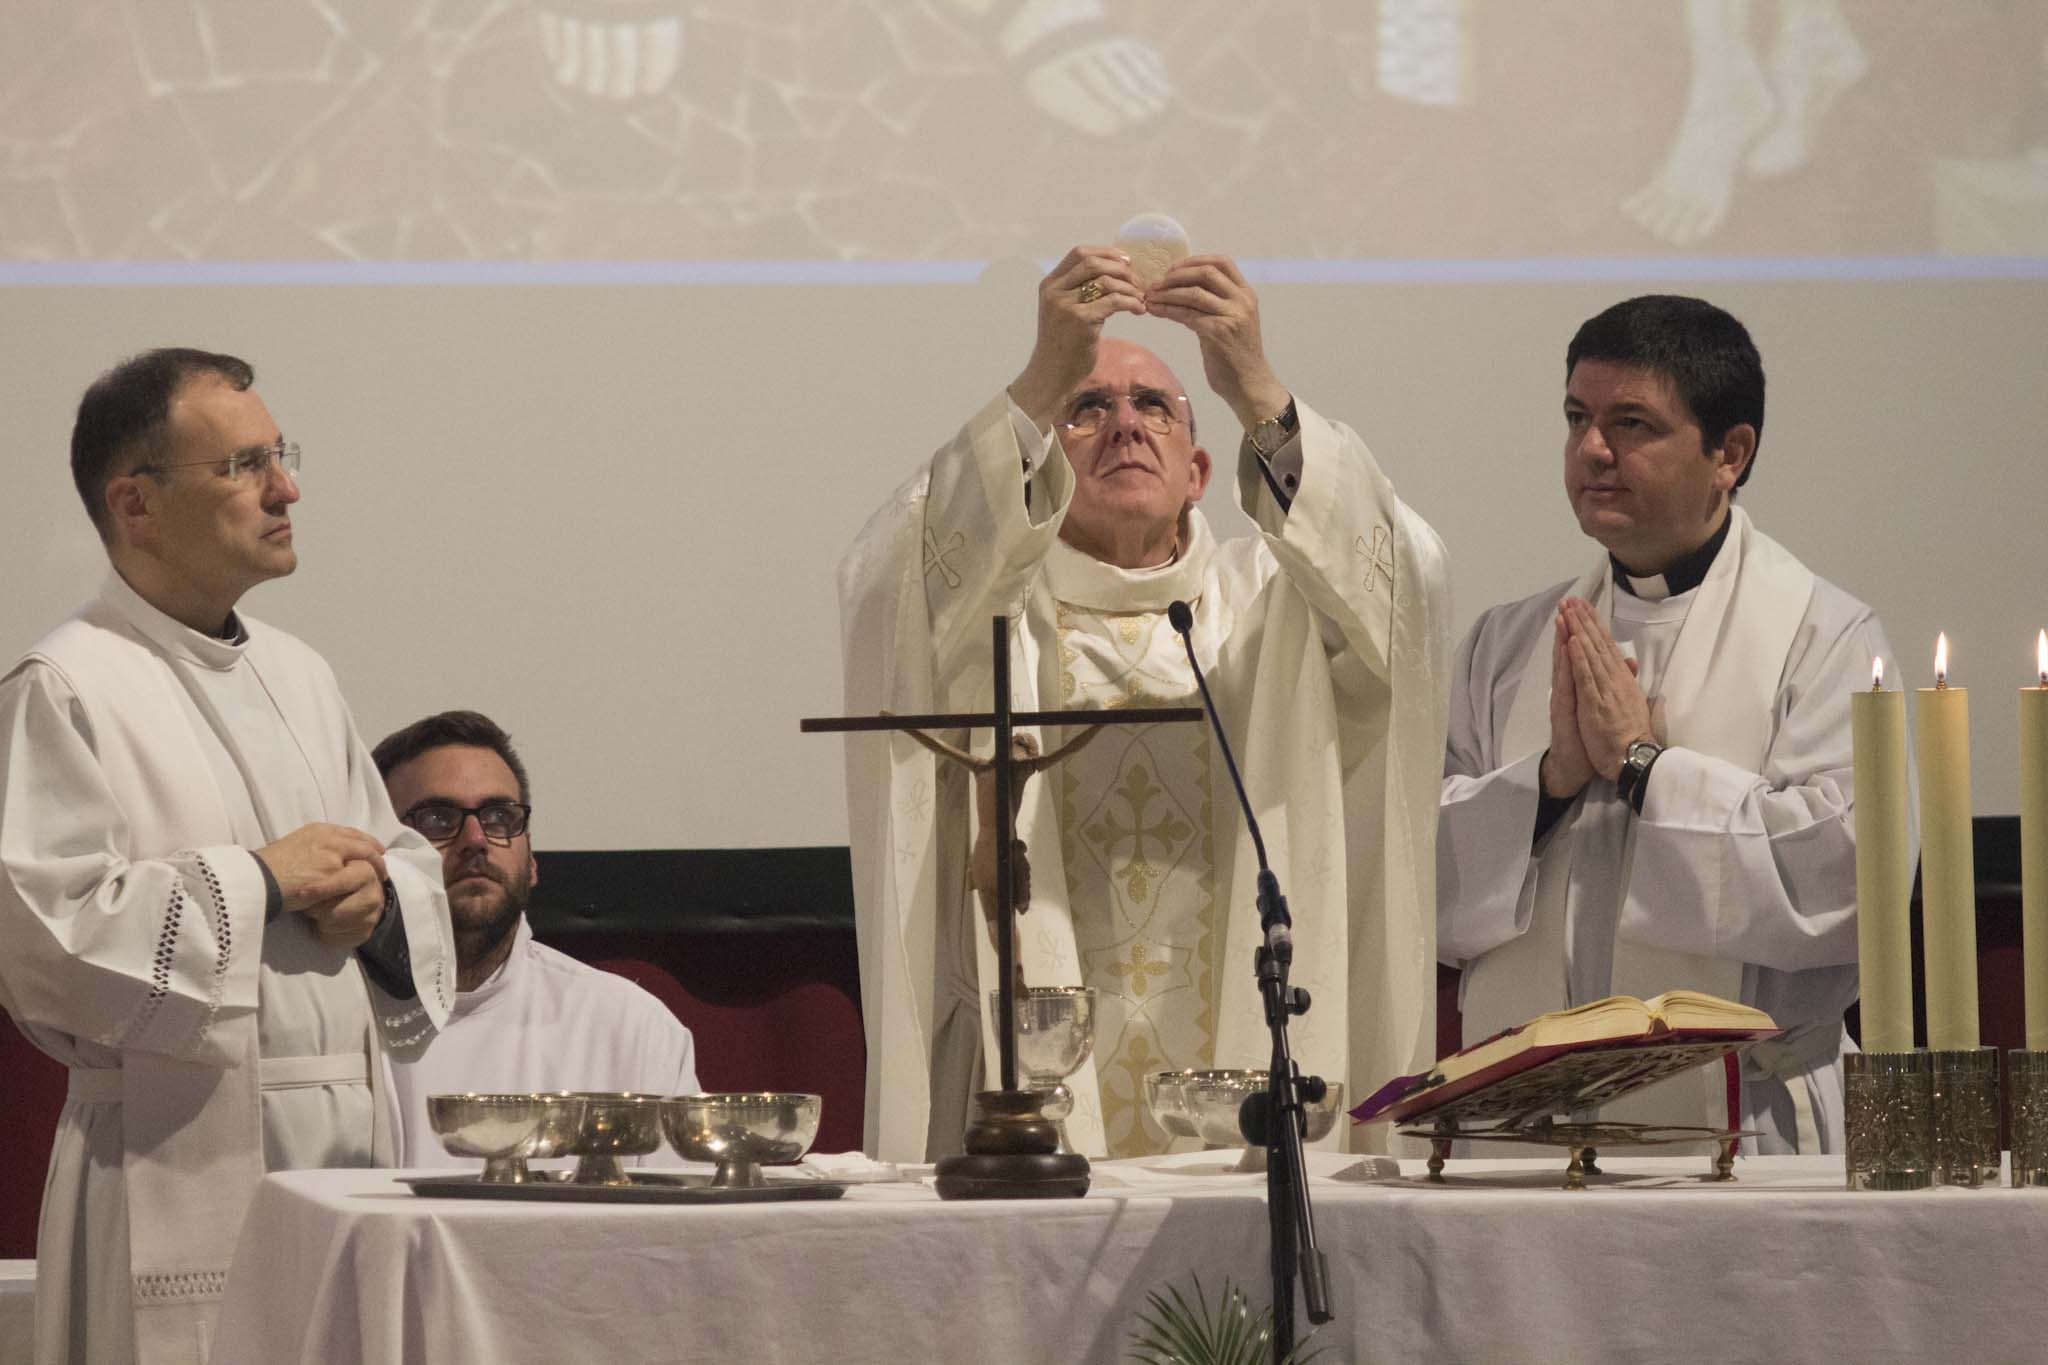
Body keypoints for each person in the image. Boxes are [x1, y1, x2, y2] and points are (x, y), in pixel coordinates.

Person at [841, 246, 1450, 1161]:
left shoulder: (1268, 608)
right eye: (1088, 408)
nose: (1124, 425)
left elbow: (1405, 585)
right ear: (1047, 461)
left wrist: (1257, 389)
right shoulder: (1002, 618)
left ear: (1202, 470)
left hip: (1244, 1076)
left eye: (1153, 406)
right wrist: (1042, 373)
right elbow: (892, 580)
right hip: (1040, 1087)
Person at [0, 349, 455, 1365]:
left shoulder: (300, 675)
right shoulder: (68, 686)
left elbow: (394, 863)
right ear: (136, 504)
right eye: (244, 465)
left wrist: (374, 907)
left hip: (345, 1165)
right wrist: (260, 881)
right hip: (167, 1166)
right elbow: (50, 940)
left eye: (279, 457)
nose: (286, 489)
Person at [1437, 295, 1906, 1153]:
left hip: (1742, 1126)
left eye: (1632, 424)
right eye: (1578, 417)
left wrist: (1645, 765)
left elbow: (1849, 880)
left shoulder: (1824, 637)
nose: (1592, 450)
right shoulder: (1504, 646)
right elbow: (1418, 884)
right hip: (1523, 1140)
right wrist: (1549, 783)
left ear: (1730, 453)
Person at [372, 710, 700, 1166]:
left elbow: (678, 1229)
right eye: (436, 818)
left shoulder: (628, 1028)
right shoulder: (333, 1018)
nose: (476, 839)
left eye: (500, 816)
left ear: (531, 862)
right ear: (377, 851)